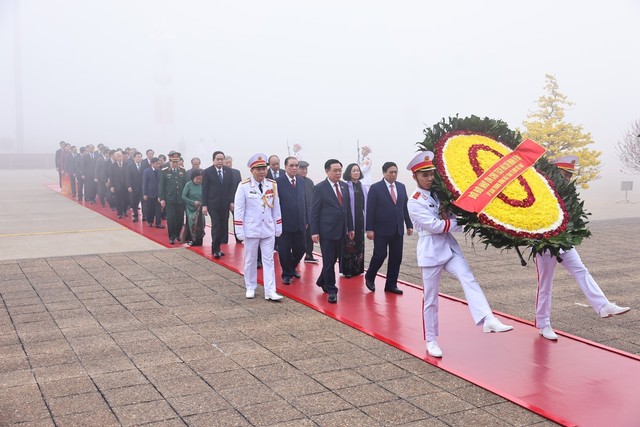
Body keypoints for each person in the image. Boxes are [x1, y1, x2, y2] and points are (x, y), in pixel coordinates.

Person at [406, 151, 513, 358]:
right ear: (415, 177)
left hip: (449, 246)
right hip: (430, 250)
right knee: (430, 299)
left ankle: (487, 318)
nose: (429, 178)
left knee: (468, 277)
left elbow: (452, 214)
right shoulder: (414, 201)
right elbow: (436, 226)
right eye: (424, 175)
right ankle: (431, 339)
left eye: (431, 174)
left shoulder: (439, 192)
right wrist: (458, 222)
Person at [534, 156, 630, 340]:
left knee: (581, 271)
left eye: (570, 174)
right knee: (545, 285)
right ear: (555, 172)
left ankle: (603, 305)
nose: (569, 177)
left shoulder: (567, 192)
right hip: (545, 244)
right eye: (565, 173)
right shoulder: (542, 190)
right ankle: (543, 324)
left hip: (564, 242)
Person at [234, 153, 283, 301]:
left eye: (264, 168)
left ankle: (270, 290)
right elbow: (239, 209)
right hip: (252, 229)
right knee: (251, 259)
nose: (262, 172)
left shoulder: (271, 184)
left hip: (268, 229)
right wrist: (239, 230)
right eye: (259, 169)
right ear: (252, 170)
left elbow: (276, 207)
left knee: (269, 260)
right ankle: (250, 286)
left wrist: (278, 226)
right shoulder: (244, 186)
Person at [364, 162, 413, 294]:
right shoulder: (375, 188)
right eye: (391, 172)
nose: (393, 175)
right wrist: (369, 229)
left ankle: (391, 284)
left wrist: (409, 224)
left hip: (397, 229)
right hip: (380, 229)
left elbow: (404, 207)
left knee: (396, 258)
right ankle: (370, 276)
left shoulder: (401, 187)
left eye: (395, 172)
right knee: (380, 255)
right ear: (384, 173)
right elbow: (370, 210)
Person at [310, 159, 354, 303]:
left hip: (341, 230)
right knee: (328, 261)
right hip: (326, 231)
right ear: (327, 171)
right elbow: (314, 211)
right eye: (334, 171)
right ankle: (332, 289)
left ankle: (322, 281)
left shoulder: (344, 186)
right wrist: (314, 231)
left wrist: (351, 227)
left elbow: (347, 209)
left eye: (339, 170)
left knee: (334, 259)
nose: (338, 173)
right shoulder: (320, 188)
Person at [276, 156, 307, 284]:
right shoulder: (277, 182)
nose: (294, 168)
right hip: (284, 223)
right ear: (285, 167)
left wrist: (307, 220)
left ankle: (291, 267)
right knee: (284, 250)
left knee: (301, 248)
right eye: (291, 166)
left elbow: (304, 201)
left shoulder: (300, 181)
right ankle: (287, 274)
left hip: (300, 222)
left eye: (296, 165)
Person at [202, 151, 234, 258]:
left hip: (225, 204)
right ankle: (215, 249)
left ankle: (218, 247)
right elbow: (204, 189)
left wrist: (231, 202)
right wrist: (204, 205)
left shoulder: (228, 171)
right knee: (216, 226)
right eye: (218, 159)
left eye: (221, 159)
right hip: (213, 204)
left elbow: (230, 188)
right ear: (213, 160)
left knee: (222, 226)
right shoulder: (207, 172)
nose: (220, 161)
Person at [341, 163, 367, 278]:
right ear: (348, 173)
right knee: (349, 245)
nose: (356, 172)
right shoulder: (346, 186)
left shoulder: (363, 186)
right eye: (353, 170)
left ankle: (358, 269)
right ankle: (347, 270)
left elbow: (366, 205)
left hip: (360, 219)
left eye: (357, 170)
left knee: (359, 244)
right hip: (349, 219)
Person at [159, 151, 188, 244]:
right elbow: (161, 186)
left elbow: (185, 184)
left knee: (180, 219)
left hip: (180, 199)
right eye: (173, 161)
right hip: (170, 199)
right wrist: (162, 198)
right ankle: (171, 237)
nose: (174, 163)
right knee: (171, 219)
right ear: (170, 161)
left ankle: (177, 234)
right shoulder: (165, 171)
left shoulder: (182, 171)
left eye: (176, 161)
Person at [298, 161, 318, 263]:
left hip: (310, 214)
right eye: (302, 169)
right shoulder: (295, 181)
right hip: (299, 215)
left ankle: (309, 255)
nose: (304, 171)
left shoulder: (309, 182)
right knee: (299, 239)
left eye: (305, 169)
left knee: (310, 236)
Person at [181, 169, 205, 246]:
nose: (198, 180)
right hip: (191, 208)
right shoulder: (188, 184)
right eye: (196, 179)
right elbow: (183, 196)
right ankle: (192, 240)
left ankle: (199, 240)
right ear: (193, 178)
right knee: (192, 223)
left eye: (200, 179)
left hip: (200, 208)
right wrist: (192, 202)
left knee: (201, 223)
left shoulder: (203, 185)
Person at [223, 155, 243, 244]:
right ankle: (224, 239)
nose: (228, 164)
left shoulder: (236, 172)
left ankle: (239, 238)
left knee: (237, 219)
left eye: (230, 162)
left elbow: (240, 187)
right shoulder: (221, 173)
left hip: (236, 200)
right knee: (224, 220)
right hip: (224, 200)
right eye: (226, 163)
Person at [142, 157, 164, 228]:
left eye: (159, 164)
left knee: (158, 209)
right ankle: (150, 221)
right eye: (156, 164)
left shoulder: (161, 171)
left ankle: (158, 223)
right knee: (150, 208)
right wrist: (145, 193)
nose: (158, 165)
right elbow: (144, 183)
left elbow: (161, 183)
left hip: (158, 194)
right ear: (152, 163)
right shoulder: (147, 171)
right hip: (149, 193)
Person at [126, 152, 144, 222]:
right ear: (134, 158)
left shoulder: (144, 165)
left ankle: (144, 216)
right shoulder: (130, 166)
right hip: (134, 187)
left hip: (142, 187)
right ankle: (135, 216)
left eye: (140, 157)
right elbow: (128, 177)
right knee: (134, 203)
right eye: (137, 157)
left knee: (144, 203)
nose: (139, 158)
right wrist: (129, 186)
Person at [109, 151, 128, 218]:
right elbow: (111, 176)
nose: (119, 157)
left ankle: (125, 211)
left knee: (126, 199)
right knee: (118, 200)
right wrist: (112, 186)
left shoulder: (126, 164)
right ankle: (119, 213)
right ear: (116, 158)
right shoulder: (113, 165)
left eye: (120, 156)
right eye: (118, 156)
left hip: (125, 186)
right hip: (117, 186)